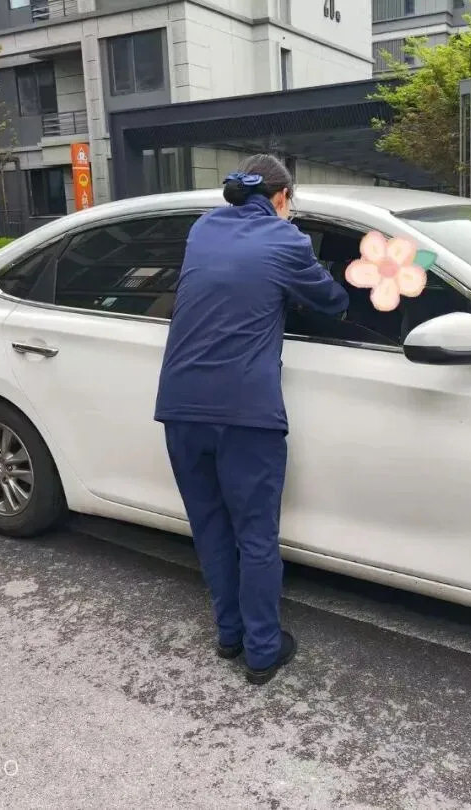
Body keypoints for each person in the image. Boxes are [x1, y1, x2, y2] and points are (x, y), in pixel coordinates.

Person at [154, 154, 350, 685]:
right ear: (282, 198)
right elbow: (331, 302)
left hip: (180, 405)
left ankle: (230, 634)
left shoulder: (202, 228)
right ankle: (263, 650)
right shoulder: (287, 240)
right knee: (256, 536)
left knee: (211, 527)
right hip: (245, 412)